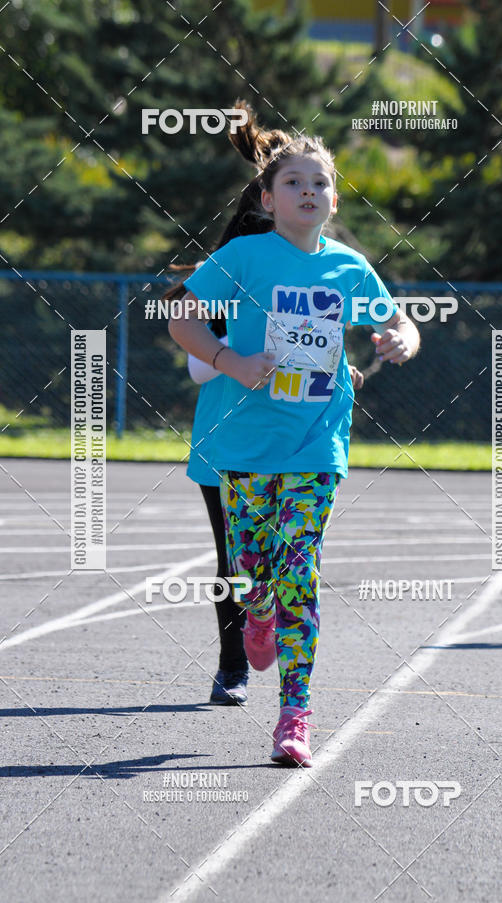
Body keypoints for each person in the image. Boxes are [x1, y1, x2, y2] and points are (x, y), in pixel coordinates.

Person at [169, 101, 420, 766]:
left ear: (334, 200)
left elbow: (397, 322)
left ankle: (294, 715)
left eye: (320, 183)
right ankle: (254, 610)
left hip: (316, 443)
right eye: (293, 182)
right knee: (250, 570)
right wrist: (231, 361)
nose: (308, 191)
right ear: (267, 198)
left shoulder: (349, 268)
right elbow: (182, 320)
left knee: (299, 572)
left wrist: (402, 337)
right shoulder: (243, 257)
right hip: (244, 446)